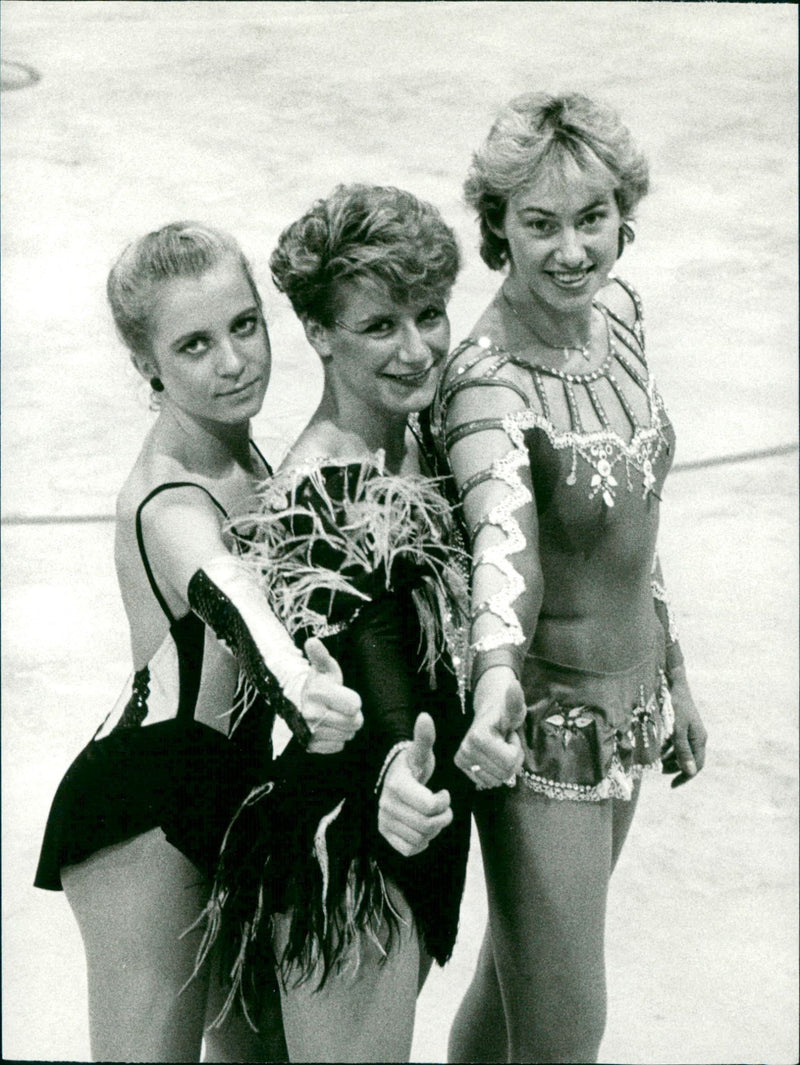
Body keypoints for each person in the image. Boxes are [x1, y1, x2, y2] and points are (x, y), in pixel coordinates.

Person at [34, 221, 363, 1063]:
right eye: (194, 345)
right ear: (148, 365)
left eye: (244, 326)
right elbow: (236, 604)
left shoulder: (238, 446)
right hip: (144, 817)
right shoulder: (169, 503)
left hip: (230, 798)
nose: (233, 362)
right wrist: (304, 689)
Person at [423, 92, 708, 1063]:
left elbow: (637, 524)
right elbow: (500, 554)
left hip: (627, 712)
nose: (571, 250)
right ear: (495, 228)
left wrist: (671, 674)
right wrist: (495, 672)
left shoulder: (618, 318)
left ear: (621, 212)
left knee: (514, 989)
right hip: (538, 737)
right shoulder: (484, 382)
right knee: (563, 1030)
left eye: (590, 218)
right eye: (538, 224)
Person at [198, 184, 472, 1063]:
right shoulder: (323, 491)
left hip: (409, 829)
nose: (416, 346)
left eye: (428, 313)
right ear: (319, 333)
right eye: (379, 325)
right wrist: (396, 765)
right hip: (345, 864)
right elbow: (363, 663)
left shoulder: (411, 438)